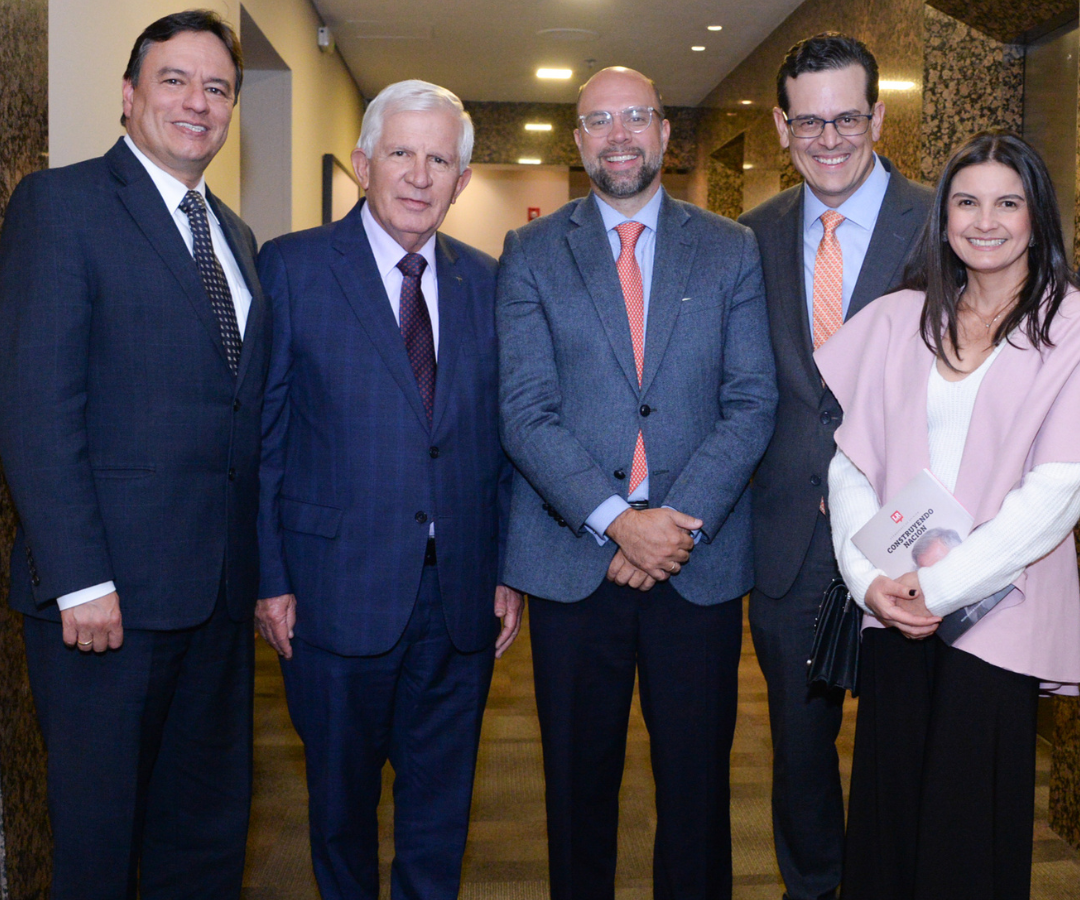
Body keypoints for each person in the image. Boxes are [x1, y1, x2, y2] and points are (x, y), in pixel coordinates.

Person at [0, 10, 269, 898]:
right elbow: (37, 408)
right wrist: (78, 578)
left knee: (203, 836)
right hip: (105, 604)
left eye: (218, 87)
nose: (199, 102)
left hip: (217, 600)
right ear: (129, 95)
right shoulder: (61, 205)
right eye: (175, 80)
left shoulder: (236, 237)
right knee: (100, 845)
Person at [497, 66, 777, 899]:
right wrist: (621, 520)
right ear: (578, 141)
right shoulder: (531, 252)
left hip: (699, 564)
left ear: (664, 133)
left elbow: (752, 399)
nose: (618, 133)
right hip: (573, 563)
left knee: (697, 790)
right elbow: (525, 412)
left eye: (635, 117)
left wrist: (673, 523)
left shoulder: (730, 247)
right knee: (577, 790)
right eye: (598, 120)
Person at [255, 79, 523, 900]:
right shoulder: (294, 266)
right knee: (339, 811)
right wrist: (271, 579)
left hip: (461, 598)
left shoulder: (491, 282)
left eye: (439, 158)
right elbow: (263, 436)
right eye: (402, 153)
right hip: (334, 591)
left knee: (441, 813)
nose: (419, 174)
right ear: (366, 163)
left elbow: (504, 443)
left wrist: (509, 569)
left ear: (463, 179)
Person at [818, 131, 1080, 899]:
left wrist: (941, 589)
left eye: (1009, 202)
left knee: (971, 834)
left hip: (997, 612)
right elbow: (851, 462)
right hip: (894, 608)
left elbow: (1057, 494)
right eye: (967, 201)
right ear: (944, 216)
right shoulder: (902, 317)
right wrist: (870, 581)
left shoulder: (1070, 326)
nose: (986, 220)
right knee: (887, 823)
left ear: (1038, 217)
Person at [738, 32, 933, 900]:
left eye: (846, 118)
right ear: (780, 126)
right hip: (786, 538)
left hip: (915, 536)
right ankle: (812, 888)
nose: (828, 138)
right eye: (807, 121)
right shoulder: (752, 234)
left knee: (910, 742)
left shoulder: (943, 221)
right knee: (799, 751)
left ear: (878, 117)